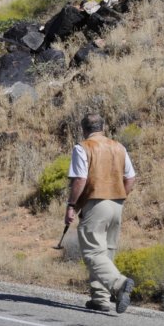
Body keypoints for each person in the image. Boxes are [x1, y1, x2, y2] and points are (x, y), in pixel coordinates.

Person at [65, 113, 136, 314]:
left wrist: (71, 205)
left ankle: (119, 284)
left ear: (83, 129)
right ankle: (100, 299)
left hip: (96, 203)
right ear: (103, 127)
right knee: (107, 251)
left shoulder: (83, 147)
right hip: (117, 204)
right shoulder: (119, 147)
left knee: (93, 253)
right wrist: (120, 196)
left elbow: (80, 179)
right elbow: (130, 178)